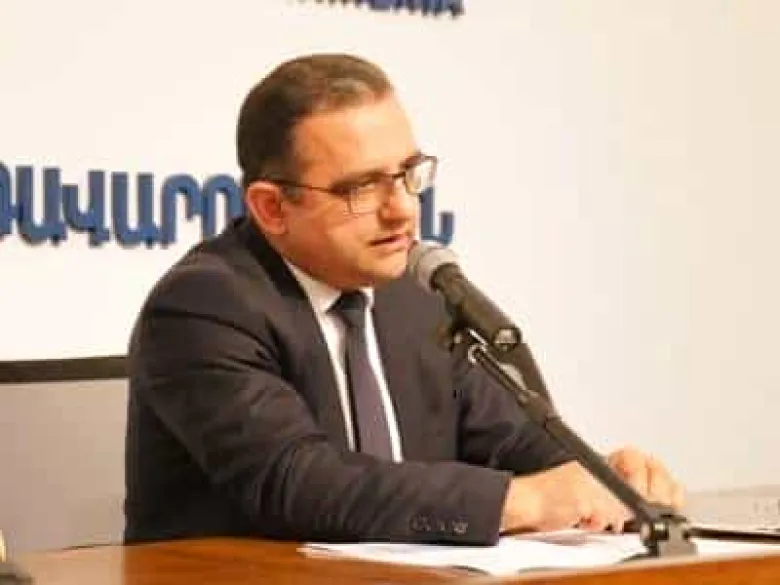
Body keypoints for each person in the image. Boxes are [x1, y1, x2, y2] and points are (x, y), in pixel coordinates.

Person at [123, 53, 684, 545]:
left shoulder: (416, 295)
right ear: (272, 208)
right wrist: (524, 502)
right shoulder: (205, 306)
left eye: (407, 174)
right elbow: (296, 481)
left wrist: (601, 480)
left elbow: (515, 444)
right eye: (361, 187)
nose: (402, 210)